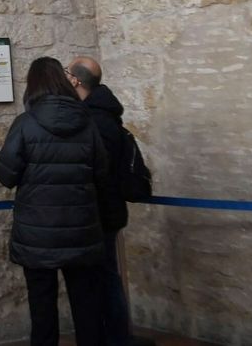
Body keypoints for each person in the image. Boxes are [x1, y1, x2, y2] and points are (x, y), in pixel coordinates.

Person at [0, 56, 112, 346]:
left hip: (38, 233)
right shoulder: (86, 122)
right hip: (81, 230)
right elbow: (101, 171)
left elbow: (7, 175)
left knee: (42, 310)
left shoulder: (25, 124)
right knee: (87, 309)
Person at [68, 56, 149, 346]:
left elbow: (97, 170)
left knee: (104, 277)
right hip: (105, 209)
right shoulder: (104, 113)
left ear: (76, 80)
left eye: (68, 72)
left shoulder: (95, 120)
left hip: (100, 210)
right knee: (103, 275)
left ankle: (115, 337)